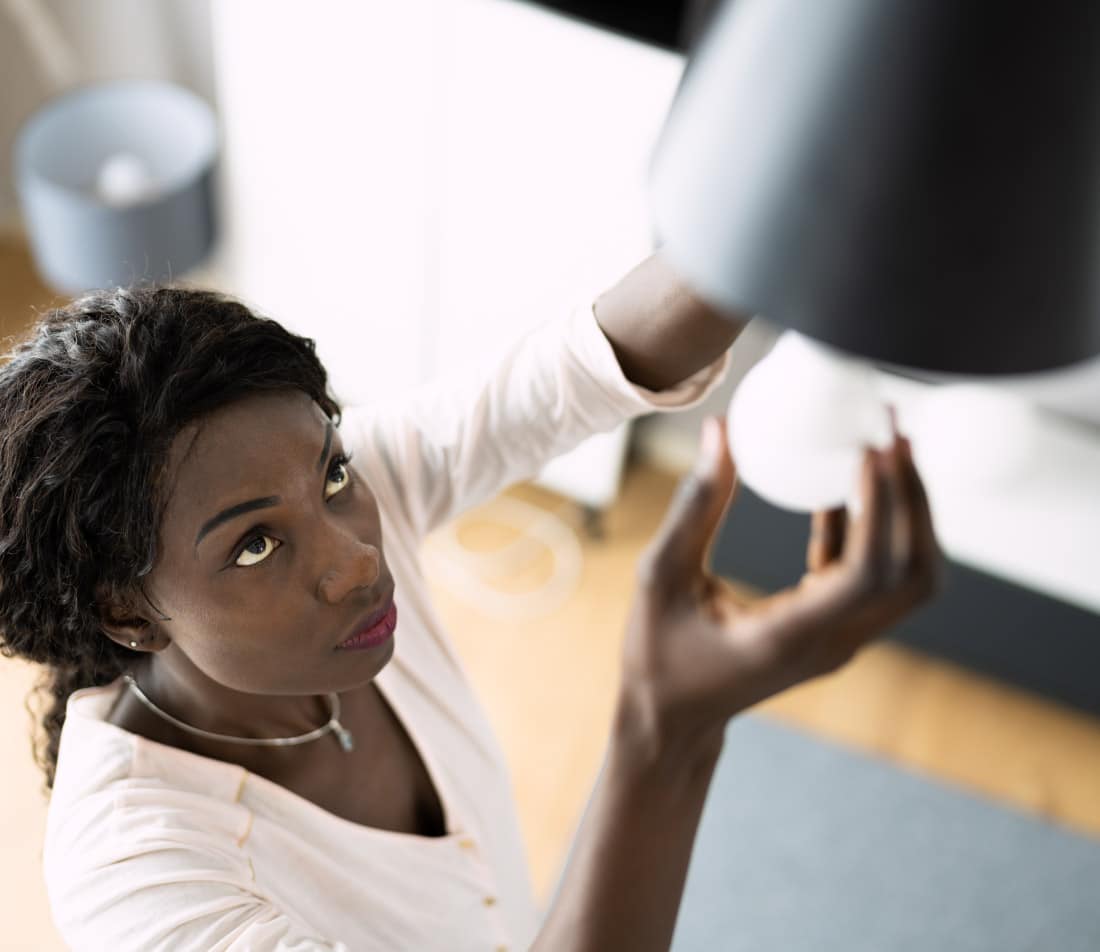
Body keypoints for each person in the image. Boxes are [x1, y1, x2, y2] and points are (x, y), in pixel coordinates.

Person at [0, 252, 939, 950]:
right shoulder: (142, 891)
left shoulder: (350, 507)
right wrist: (669, 731)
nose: (358, 561)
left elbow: (582, 365)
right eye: (255, 545)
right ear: (128, 611)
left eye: (333, 473)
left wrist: (781, 211)